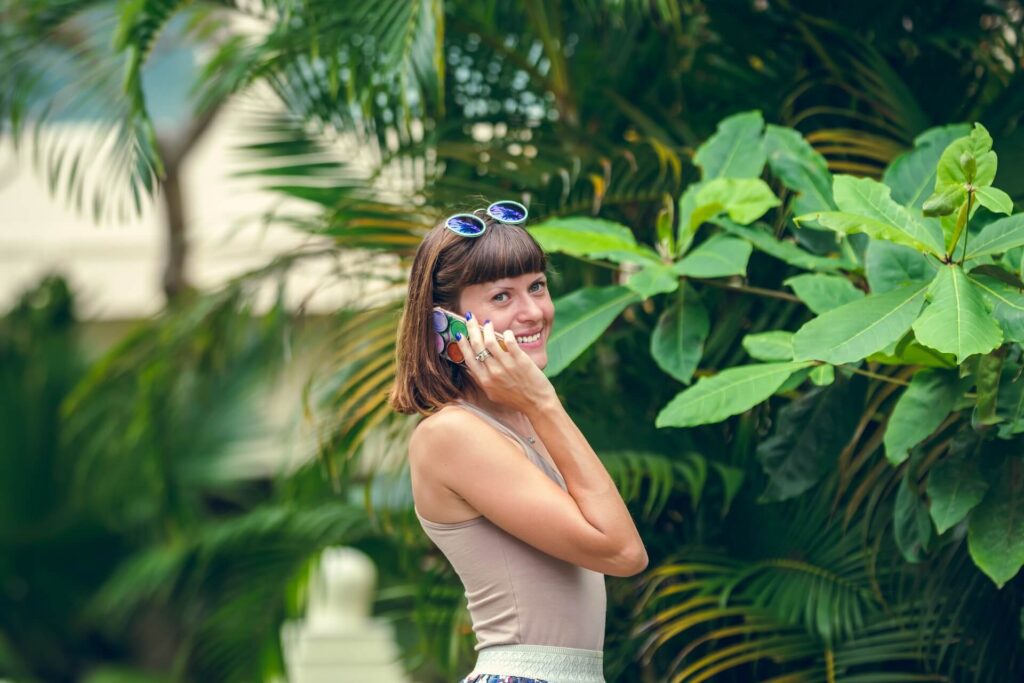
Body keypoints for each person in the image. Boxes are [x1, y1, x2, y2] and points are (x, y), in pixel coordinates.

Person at [390, 199, 648, 683]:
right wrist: (544, 402)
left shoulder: (527, 421)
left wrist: (538, 407)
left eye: (537, 287)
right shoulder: (452, 434)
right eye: (502, 297)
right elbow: (622, 552)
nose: (533, 312)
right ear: (446, 323)